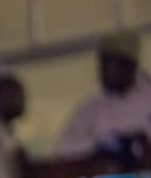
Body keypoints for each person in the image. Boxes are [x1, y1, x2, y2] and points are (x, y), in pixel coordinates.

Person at [57, 30, 151, 158]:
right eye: (102, 65)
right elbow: (63, 148)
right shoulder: (91, 109)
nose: (102, 72)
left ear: (129, 66)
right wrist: (100, 145)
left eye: (109, 65)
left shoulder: (147, 100)